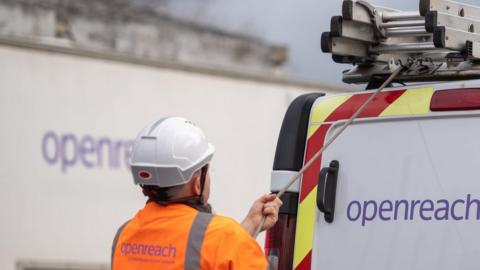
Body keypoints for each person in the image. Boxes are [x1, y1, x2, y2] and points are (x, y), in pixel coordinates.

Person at [111, 117, 282, 270]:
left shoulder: (124, 235)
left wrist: (251, 224)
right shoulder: (226, 237)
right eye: (207, 170)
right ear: (196, 184)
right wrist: (240, 238)